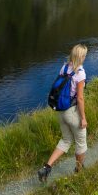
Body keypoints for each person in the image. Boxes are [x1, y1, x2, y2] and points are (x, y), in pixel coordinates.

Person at [38, 44, 88, 182]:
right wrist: (83, 118)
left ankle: (46, 168)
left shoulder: (65, 67)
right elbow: (80, 98)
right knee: (81, 142)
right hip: (72, 112)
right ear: (81, 56)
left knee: (66, 140)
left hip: (61, 110)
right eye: (84, 55)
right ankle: (79, 170)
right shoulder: (80, 73)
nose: (85, 57)